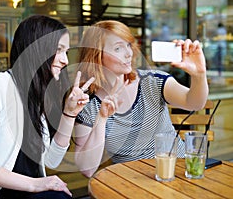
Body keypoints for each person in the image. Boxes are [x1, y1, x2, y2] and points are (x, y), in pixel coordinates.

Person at [0, 15, 94, 198]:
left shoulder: (38, 95)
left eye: (66, 52)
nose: (65, 60)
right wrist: (36, 184)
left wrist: (69, 114)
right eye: (59, 50)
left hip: (22, 190)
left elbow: (52, 160)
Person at [73, 20, 209, 177]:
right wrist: (102, 119)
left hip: (177, 172)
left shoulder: (152, 81)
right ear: (96, 56)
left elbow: (194, 103)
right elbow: (87, 169)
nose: (128, 53)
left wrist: (199, 75)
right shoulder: (87, 104)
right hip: (132, 181)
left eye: (128, 45)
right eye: (118, 48)